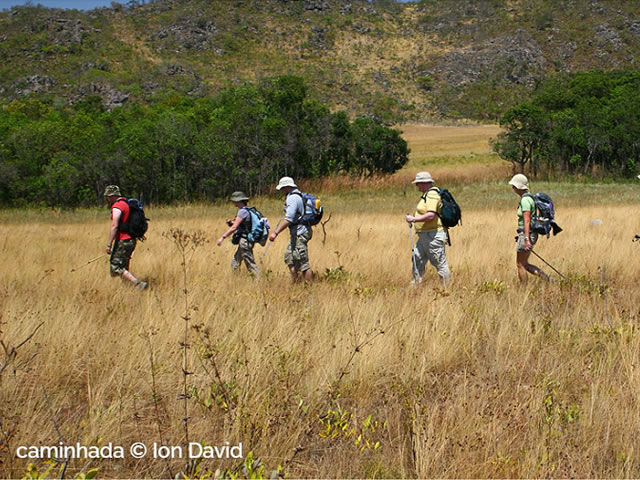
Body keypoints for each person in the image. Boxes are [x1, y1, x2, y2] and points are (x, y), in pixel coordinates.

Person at [405, 171, 450, 286]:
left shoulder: (432, 195)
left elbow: (431, 215)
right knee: (417, 258)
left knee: (439, 263)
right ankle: (415, 286)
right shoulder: (428, 194)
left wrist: (413, 219)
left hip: (433, 235)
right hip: (425, 235)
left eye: (418, 183)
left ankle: (446, 289)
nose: (417, 186)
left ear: (424, 183)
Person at [268, 176, 313, 282]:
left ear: (287, 186)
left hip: (300, 233)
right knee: (290, 258)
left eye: (282, 188)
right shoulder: (296, 196)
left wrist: (275, 233)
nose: (282, 191)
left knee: (303, 263)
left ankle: (309, 288)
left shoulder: (293, 198)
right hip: (298, 232)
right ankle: (296, 283)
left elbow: (289, 219)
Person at [104, 185, 147, 290]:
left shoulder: (117, 206)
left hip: (123, 240)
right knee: (124, 266)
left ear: (112, 195)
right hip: (131, 240)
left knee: (116, 267)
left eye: (108, 196)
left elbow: (115, 226)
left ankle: (138, 283)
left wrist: (109, 244)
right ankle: (127, 290)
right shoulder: (126, 203)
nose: (107, 198)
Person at [509, 173, 549, 284]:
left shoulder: (525, 200)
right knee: (525, 264)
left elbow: (526, 220)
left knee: (520, 264)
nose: (513, 188)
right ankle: (547, 279)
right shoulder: (529, 198)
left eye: (514, 186)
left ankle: (524, 289)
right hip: (529, 233)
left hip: (528, 234)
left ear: (518, 187)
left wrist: (526, 238)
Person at [217, 191, 259, 275]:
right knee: (235, 263)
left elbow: (234, 228)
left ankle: (258, 282)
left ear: (238, 201)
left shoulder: (242, 212)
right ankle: (236, 281)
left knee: (250, 264)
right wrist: (231, 223)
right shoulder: (248, 210)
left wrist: (223, 237)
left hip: (245, 241)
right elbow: (242, 225)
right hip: (247, 240)